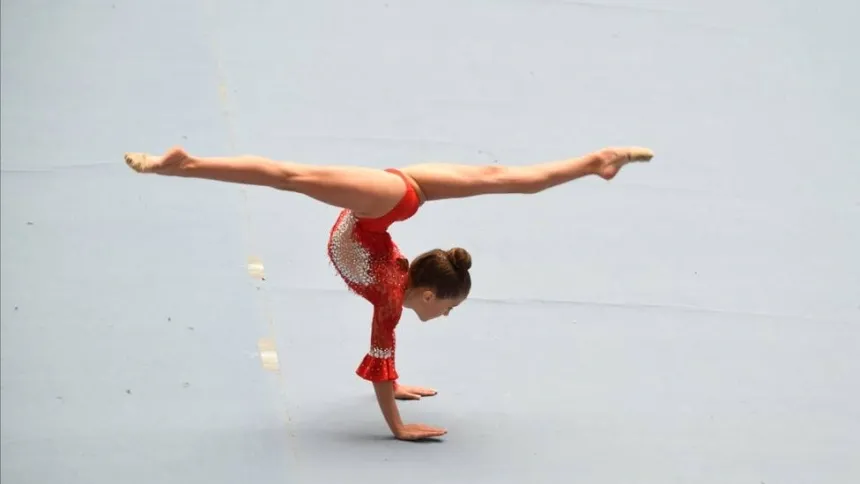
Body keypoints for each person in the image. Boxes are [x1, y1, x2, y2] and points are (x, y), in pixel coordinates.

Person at [123, 145, 654, 441]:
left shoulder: (402, 279)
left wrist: (396, 386)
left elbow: (386, 368)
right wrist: (397, 428)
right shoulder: (391, 300)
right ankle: (185, 166)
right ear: (428, 295)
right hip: (380, 204)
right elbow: (380, 362)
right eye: (449, 308)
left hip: (396, 198)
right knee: (289, 175)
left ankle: (597, 162)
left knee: (503, 177)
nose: (446, 316)